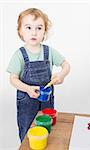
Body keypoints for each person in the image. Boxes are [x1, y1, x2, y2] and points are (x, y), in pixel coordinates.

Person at [7, 8, 70, 142]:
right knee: (27, 130)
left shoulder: (49, 52)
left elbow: (66, 65)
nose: (34, 32)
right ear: (20, 31)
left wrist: (61, 75)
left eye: (39, 28)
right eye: (28, 27)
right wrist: (27, 89)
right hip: (26, 102)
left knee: (47, 128)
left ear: (44, 32)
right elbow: (13, 79)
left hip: (46, 101)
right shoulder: (19, 55)